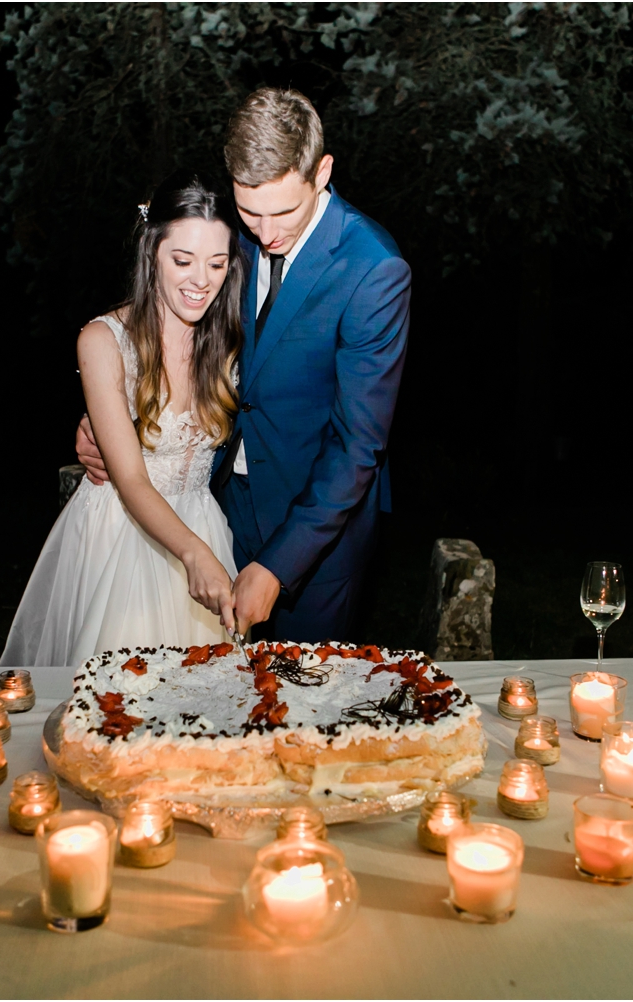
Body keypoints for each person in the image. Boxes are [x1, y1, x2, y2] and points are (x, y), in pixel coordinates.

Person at [78, 87, 410, 642]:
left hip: (315, 533)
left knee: (302, 705)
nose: (267, 233)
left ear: (321, 172)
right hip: (220, 507)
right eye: (250, 213)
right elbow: (170, 327)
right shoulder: (238, 234)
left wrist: (280, 564)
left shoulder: (373, 268)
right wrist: (110, 415)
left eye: (284, 212)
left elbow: (359, 445)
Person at [0, 172, 243, 668]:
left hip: (205, 525)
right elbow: (129, 477)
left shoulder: (230, 340)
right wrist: (193, 554)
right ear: (152, 252)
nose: (201, 280)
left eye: (217, 264)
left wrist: (203, 550)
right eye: (183, 260)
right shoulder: (103, 340)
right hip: (122, 537)